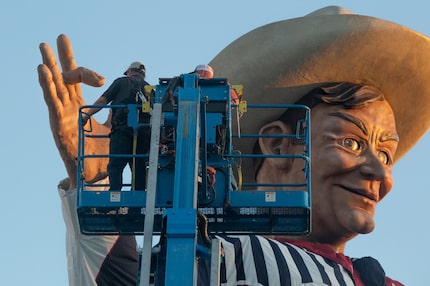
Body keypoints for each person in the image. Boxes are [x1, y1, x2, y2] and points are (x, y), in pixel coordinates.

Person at [37, 6, 430, 286]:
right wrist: (96, 179)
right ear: (277, 144)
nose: (379, 172)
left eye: (385, 153)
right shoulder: (219, 256)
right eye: (350, 140)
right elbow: (123, 278)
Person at [82, 61, 151, 191]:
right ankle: (139, 194)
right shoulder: (149, 89)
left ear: (130, 72)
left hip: (121, 131)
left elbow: (103, 101)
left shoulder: (121, 82)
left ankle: (115, 193)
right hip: (144, 133)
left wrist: (87, 115)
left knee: (116, 165)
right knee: (139, 165)